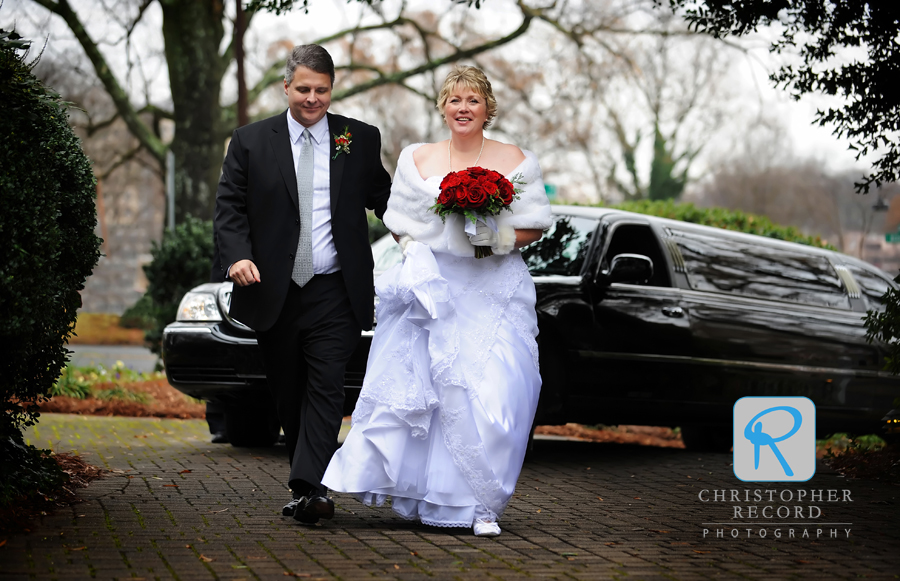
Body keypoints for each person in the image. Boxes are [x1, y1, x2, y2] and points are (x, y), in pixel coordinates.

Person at [323, 66, 553, 537]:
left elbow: (534, 223)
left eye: (472, 100)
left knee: (496, 389)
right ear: (442, 107)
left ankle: (483, 502)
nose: (463, 108)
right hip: (435, 287)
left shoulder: (517, 159)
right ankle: (433, 496)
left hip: (493, 289)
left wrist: (491, 239)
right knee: (425, 392)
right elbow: (398, 220)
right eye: (454, 100)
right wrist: (413, 252)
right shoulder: (416, 158)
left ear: (488, 107)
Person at [214, 44, 392, 524]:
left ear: (332, 89)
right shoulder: (251, 141)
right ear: (286, 87)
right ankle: (308, 483)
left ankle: (310, 486)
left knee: (327, 384)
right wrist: (238, 256)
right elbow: (229, 207)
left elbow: (386, 198)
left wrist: (434, 223)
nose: (313, 99)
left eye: (322, 90)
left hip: (336, 286)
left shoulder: (359, 138)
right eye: (304, 89)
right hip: (274, 288)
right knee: (289, 391)